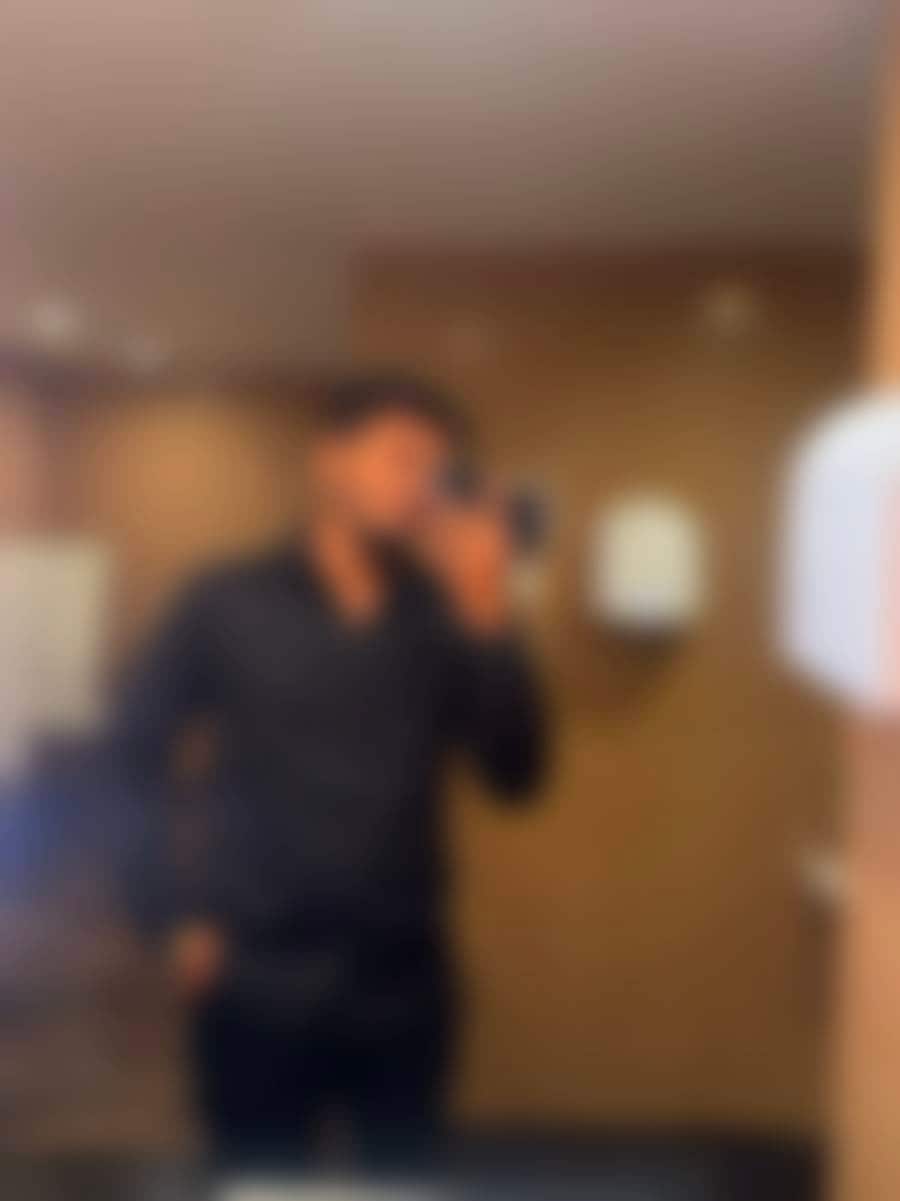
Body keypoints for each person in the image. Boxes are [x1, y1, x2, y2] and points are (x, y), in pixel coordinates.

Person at [114, 372, 544, 1173]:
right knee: (256, 1179)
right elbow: (130, 754)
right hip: (256, 971)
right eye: (403, 459)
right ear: (330, 461)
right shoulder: (226, 600)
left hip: (403, 978)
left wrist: (490, 616)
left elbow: (516, 774)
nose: (421, 487)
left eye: (437, 470)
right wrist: (168, 911)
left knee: (401, 1180)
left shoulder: (445, 614)